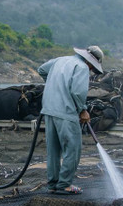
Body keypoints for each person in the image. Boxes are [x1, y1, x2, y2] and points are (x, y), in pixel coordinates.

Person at [37, 45, 104, 195]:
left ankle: (53, 184)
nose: (91, 71)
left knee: (53, 150)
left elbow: (41, 70)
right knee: (72, 148)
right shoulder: (82, 67)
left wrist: (55, 84)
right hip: (66, 111)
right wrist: (83, 110)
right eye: (93, 68)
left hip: (48, 109)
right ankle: (65, 184)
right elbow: (77, 92)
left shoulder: (60, 60)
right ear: (90, 63)